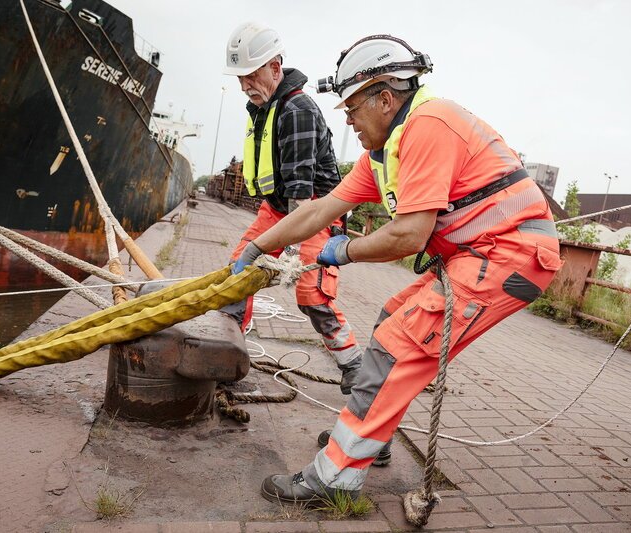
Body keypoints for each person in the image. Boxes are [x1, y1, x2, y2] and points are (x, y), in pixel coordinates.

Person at [232, 34, 562, 504]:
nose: (347, 120)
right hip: (479, 255)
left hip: (508, 257)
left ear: (386, 98)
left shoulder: (429, 125)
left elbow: (408, 235)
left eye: (352, 109)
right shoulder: (384, 151)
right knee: (393, 316)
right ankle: (373, 439)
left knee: (398, 346)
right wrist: (258, 247)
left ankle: (334, 478)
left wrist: (342, 251)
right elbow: (320, 209)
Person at [222, 22, 364, 395]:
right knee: (237, 274)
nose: (244, 86)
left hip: (315, 209)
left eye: (251, 75)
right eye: (239, 78)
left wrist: (286, 251)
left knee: (312, 294)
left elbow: (303, 195)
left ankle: (354, 366)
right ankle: (224, 354)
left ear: (275, 67)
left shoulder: (297, 109)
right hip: (278, 208)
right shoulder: (263, 107)